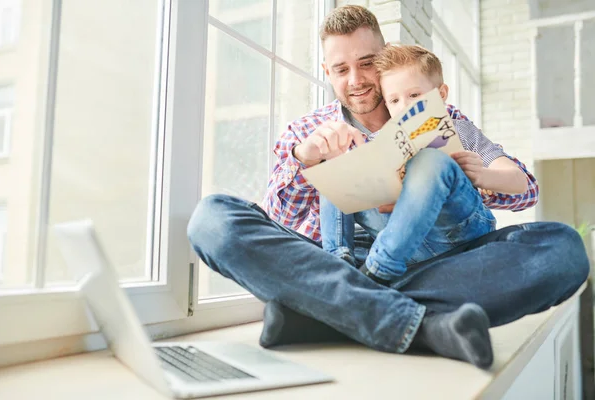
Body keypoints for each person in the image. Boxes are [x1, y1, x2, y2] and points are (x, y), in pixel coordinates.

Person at [187, 5, 589, 369]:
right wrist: (305, 159)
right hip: (345, 262)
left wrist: (471, 175)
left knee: (564, 249)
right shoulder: (306, 131)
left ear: (382, 60)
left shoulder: (439, 115)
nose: (357, 80)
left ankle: (324, 313)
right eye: (342, 70)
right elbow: (281, 219)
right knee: (212, 220)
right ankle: (423, 326)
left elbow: (526, 191)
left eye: (366, 64)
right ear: (327, 72)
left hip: (445, 262)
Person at [319, 44, 538, 286]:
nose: (404, 107)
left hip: (459, 234)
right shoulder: (386, 142)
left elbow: (521, 183)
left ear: (441, 94)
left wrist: (481, 175)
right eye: (394, 100)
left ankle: (378, 269)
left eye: (414, 96)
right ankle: (338, 265)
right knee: (338, 176)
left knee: (431, 160)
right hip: (408, 243)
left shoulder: (460, 129)